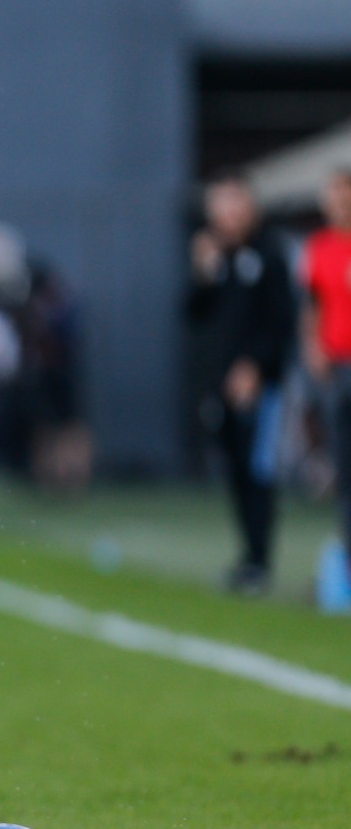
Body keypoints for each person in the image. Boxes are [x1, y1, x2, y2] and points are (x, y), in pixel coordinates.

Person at [186, 173, 295, 596]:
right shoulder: (217, 258)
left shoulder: (269, 252)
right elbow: (194, 315)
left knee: (259, 470)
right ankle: (248, 557)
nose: (228, 215)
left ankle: (261, 560)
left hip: (261, 386)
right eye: (221, 206)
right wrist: (202, 273)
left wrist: (255, 366)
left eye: (235, 205)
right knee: (233, 469)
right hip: (221, 385)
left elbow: (280, 320)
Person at [301, 168, 351, 591]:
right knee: (344, 466)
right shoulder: (319, 247)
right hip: (337, 366)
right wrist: (312, 346)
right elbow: (313, 303)